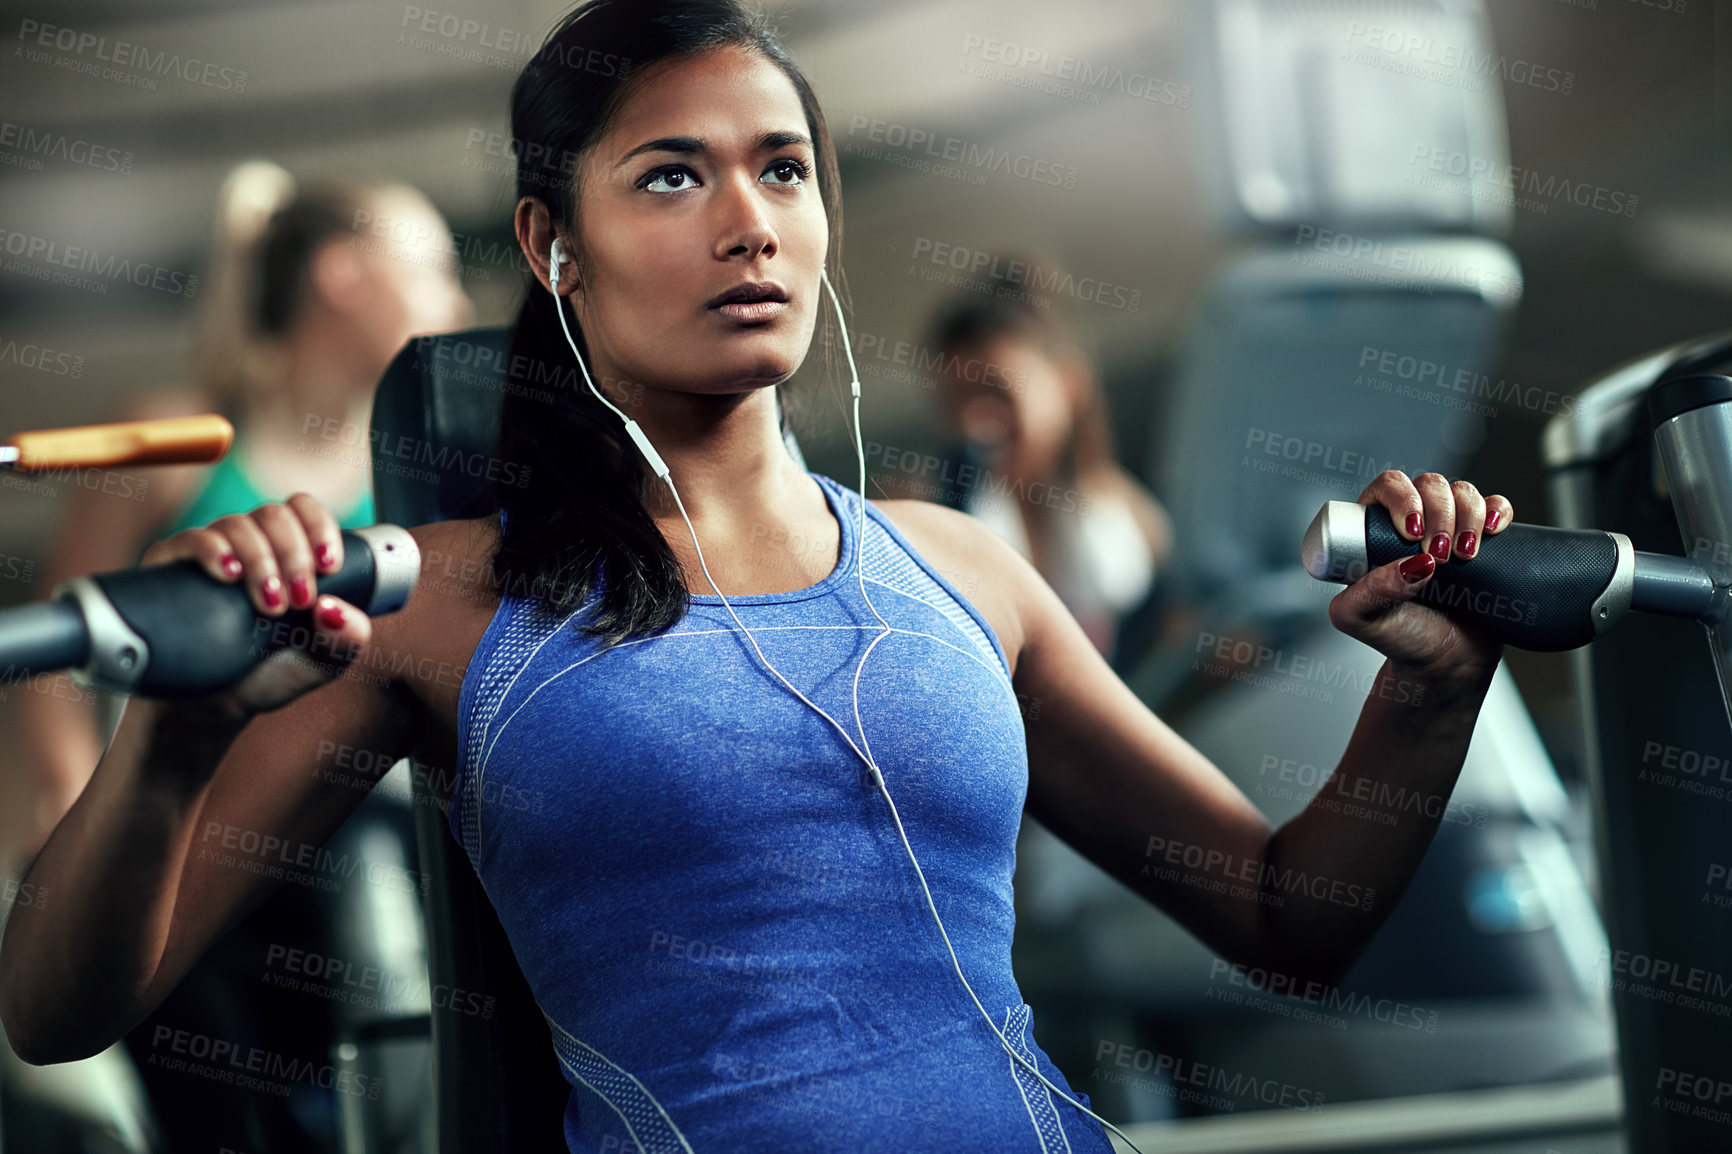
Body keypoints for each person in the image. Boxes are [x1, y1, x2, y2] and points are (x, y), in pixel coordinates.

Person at [0, 2, 1518, 1151]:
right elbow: (59, 1010)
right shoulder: (443, 602)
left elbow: (1289, 917)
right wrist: (171, 739)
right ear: (554, 246)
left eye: (782, 170)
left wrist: (1426, 693)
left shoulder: (960, 570)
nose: (749, 225)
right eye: (670, 178)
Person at [0, 161, 472, 1153]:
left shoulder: (424, 472)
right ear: (343, 275)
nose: (456, 300)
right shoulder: (180, 435)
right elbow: (56, 634)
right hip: (184, 830)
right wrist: (67, 801)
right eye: (429, 266)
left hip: (355, 841)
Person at [923, 282, 1172, 664]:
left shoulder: (1136, 519)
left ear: (1069, 385)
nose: (976, 422)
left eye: (998, 391)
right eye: (957, 400)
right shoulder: (927, 525)